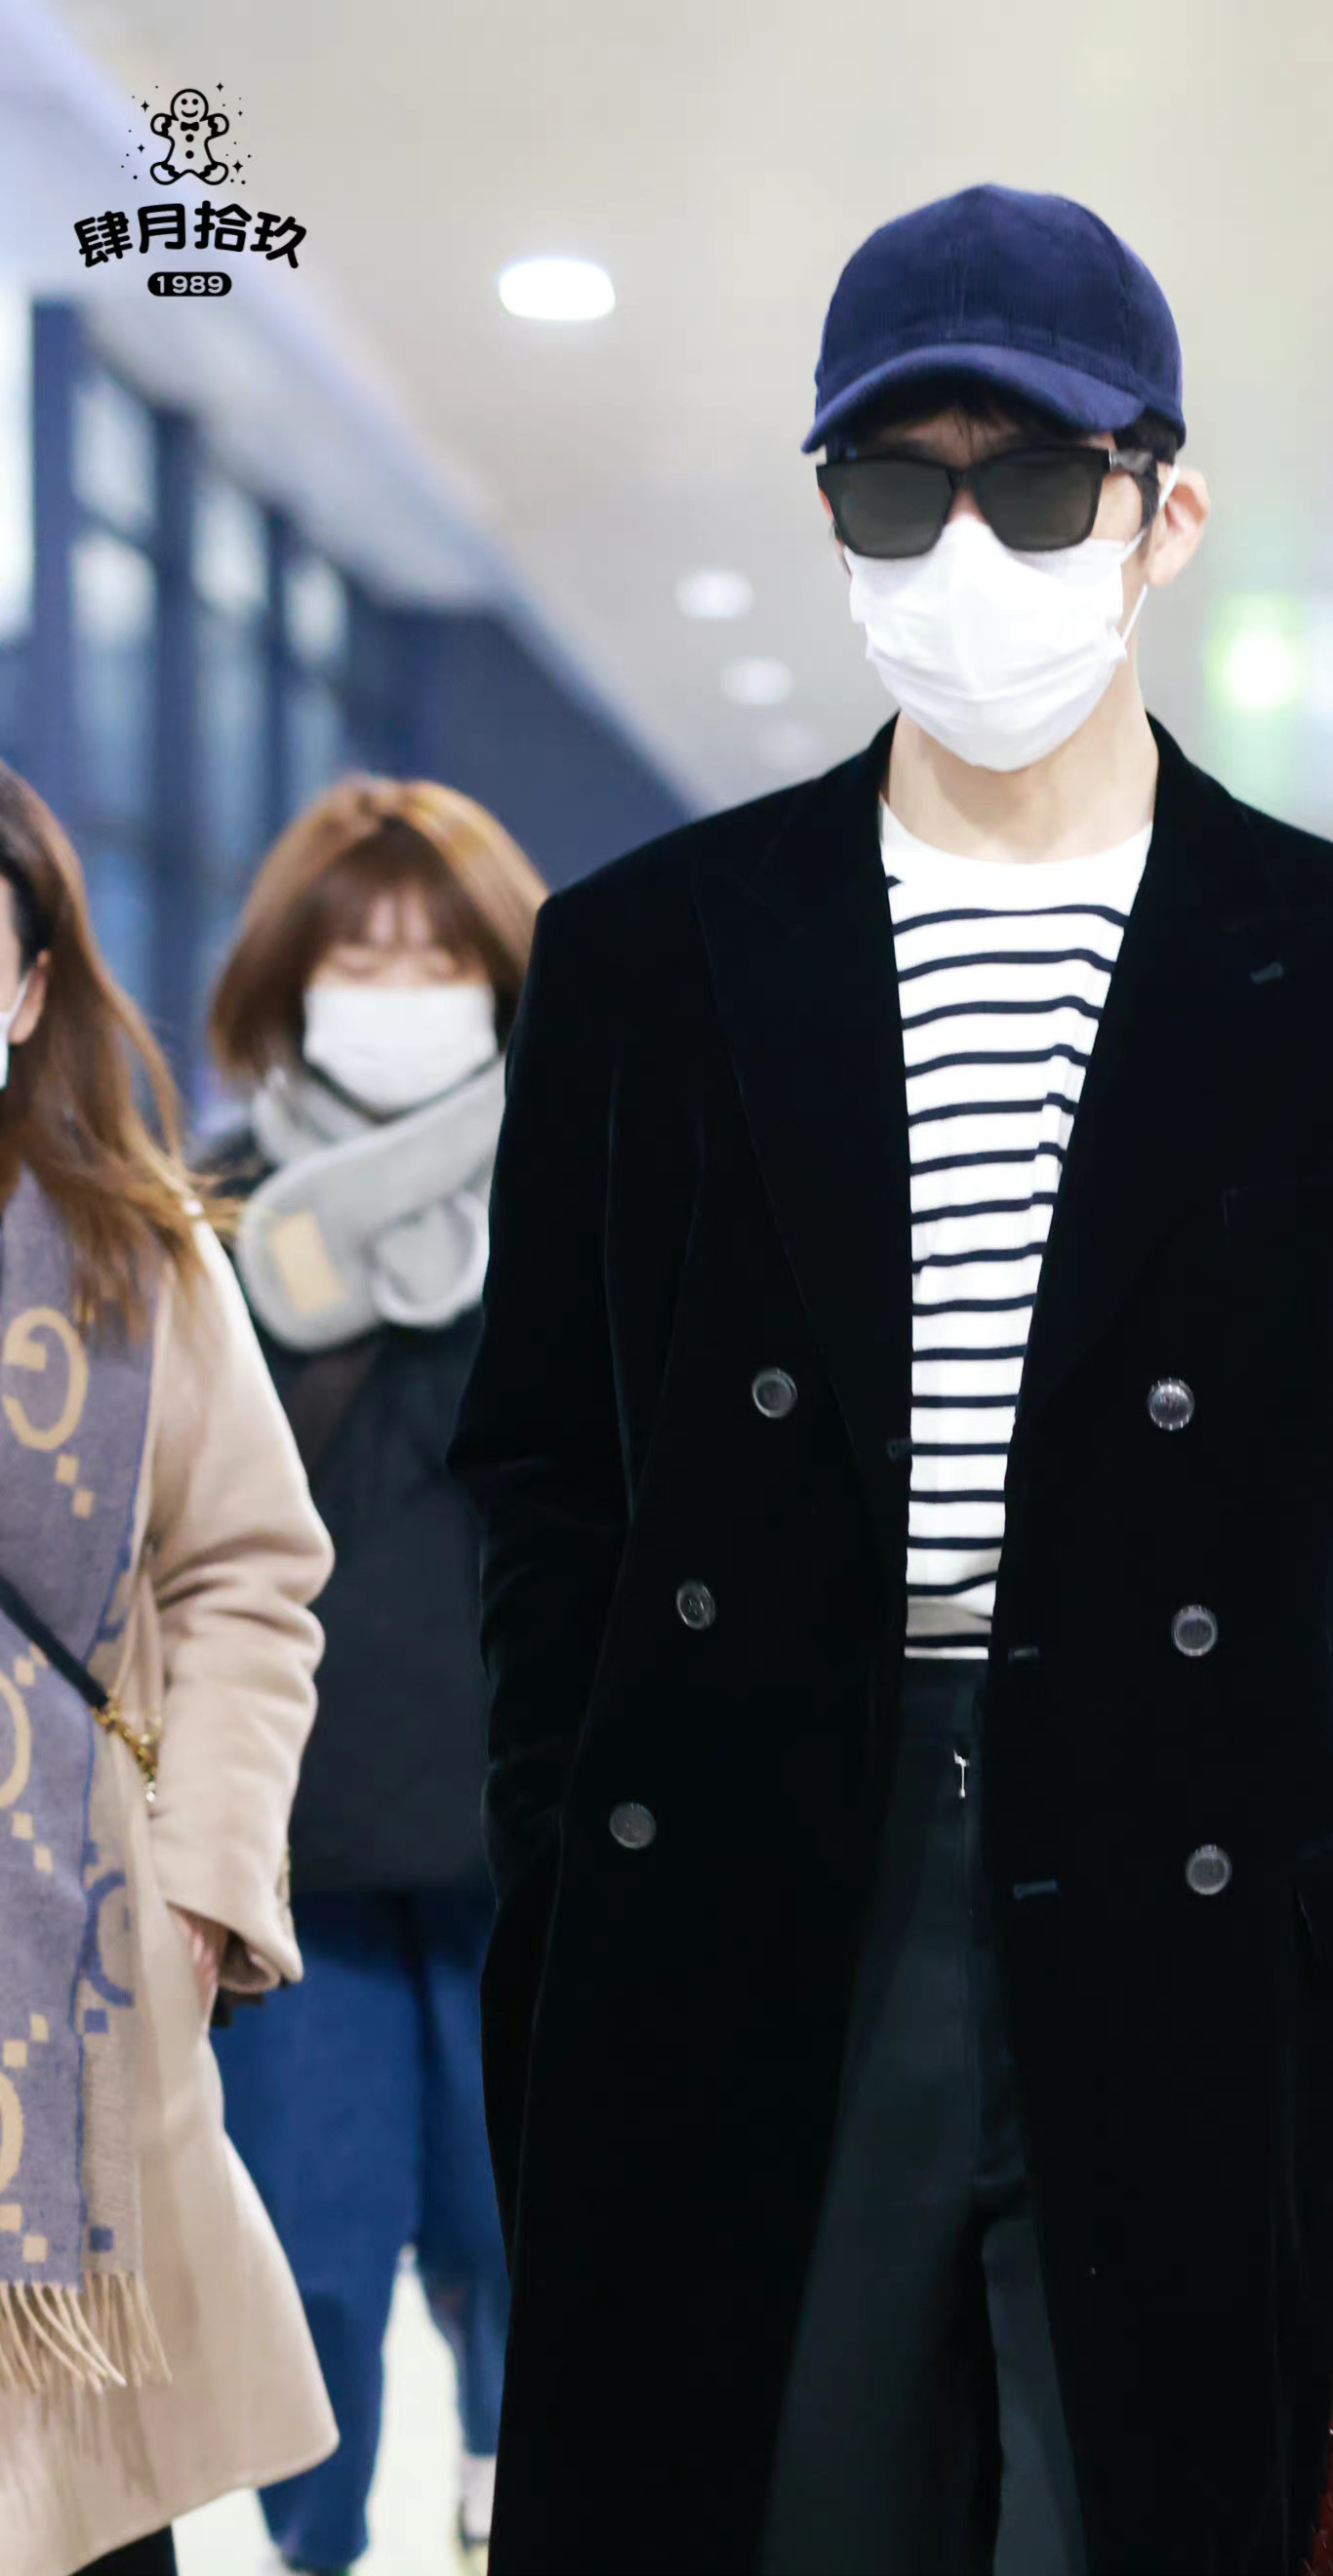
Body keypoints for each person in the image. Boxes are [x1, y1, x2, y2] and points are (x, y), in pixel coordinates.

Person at [448, 181, 1333, 2576]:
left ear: (1170, 512)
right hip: (754, 1857)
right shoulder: (649, 955)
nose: (968, 553)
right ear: (832, 521)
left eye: (1039, 485)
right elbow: (547, 1475)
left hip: (1185, 1858)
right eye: (900, 491)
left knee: (1129, 2510)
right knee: (751, 2507)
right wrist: (568, 1865)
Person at [199, 777, 545, 2575]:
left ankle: (511, 2489)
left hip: (531, 1833)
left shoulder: (586, 1190)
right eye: (361, 955)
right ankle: (311, 2546)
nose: (400, 990)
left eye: (437, 957)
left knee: (518, 2231)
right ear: (289, 975)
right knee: (314, 2251)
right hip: (290, 1847)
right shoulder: (205, 1212)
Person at [0, 763, 337, 2576]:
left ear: (31, 986)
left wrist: (202, 1882)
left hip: (76, 1968)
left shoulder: (134, 1259)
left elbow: (247, 1577)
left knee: (77, 2506)